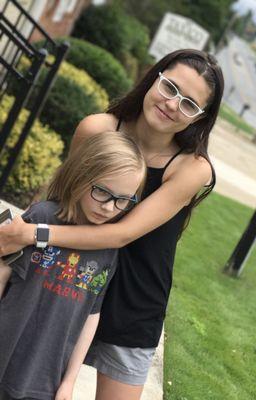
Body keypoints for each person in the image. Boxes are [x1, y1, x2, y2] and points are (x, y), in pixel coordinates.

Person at [0, 49, 224, 399]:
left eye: (189, 104)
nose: (172, 104)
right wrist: (22, 235)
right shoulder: (96, 129)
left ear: (200, 117)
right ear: (154, 76)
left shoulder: (192, 168)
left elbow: (121, 233)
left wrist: (33, 233)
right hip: (62, 284)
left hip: (133, 306)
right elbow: (61, 197)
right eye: (170, 88)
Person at [0, 131, 146, 400]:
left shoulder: (108, 248)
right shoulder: (41, 218)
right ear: (82, 174)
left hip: (45, 381)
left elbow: (91, 316)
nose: (109, 207)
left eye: (122, 200)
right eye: (102, 191)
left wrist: (70, 381)